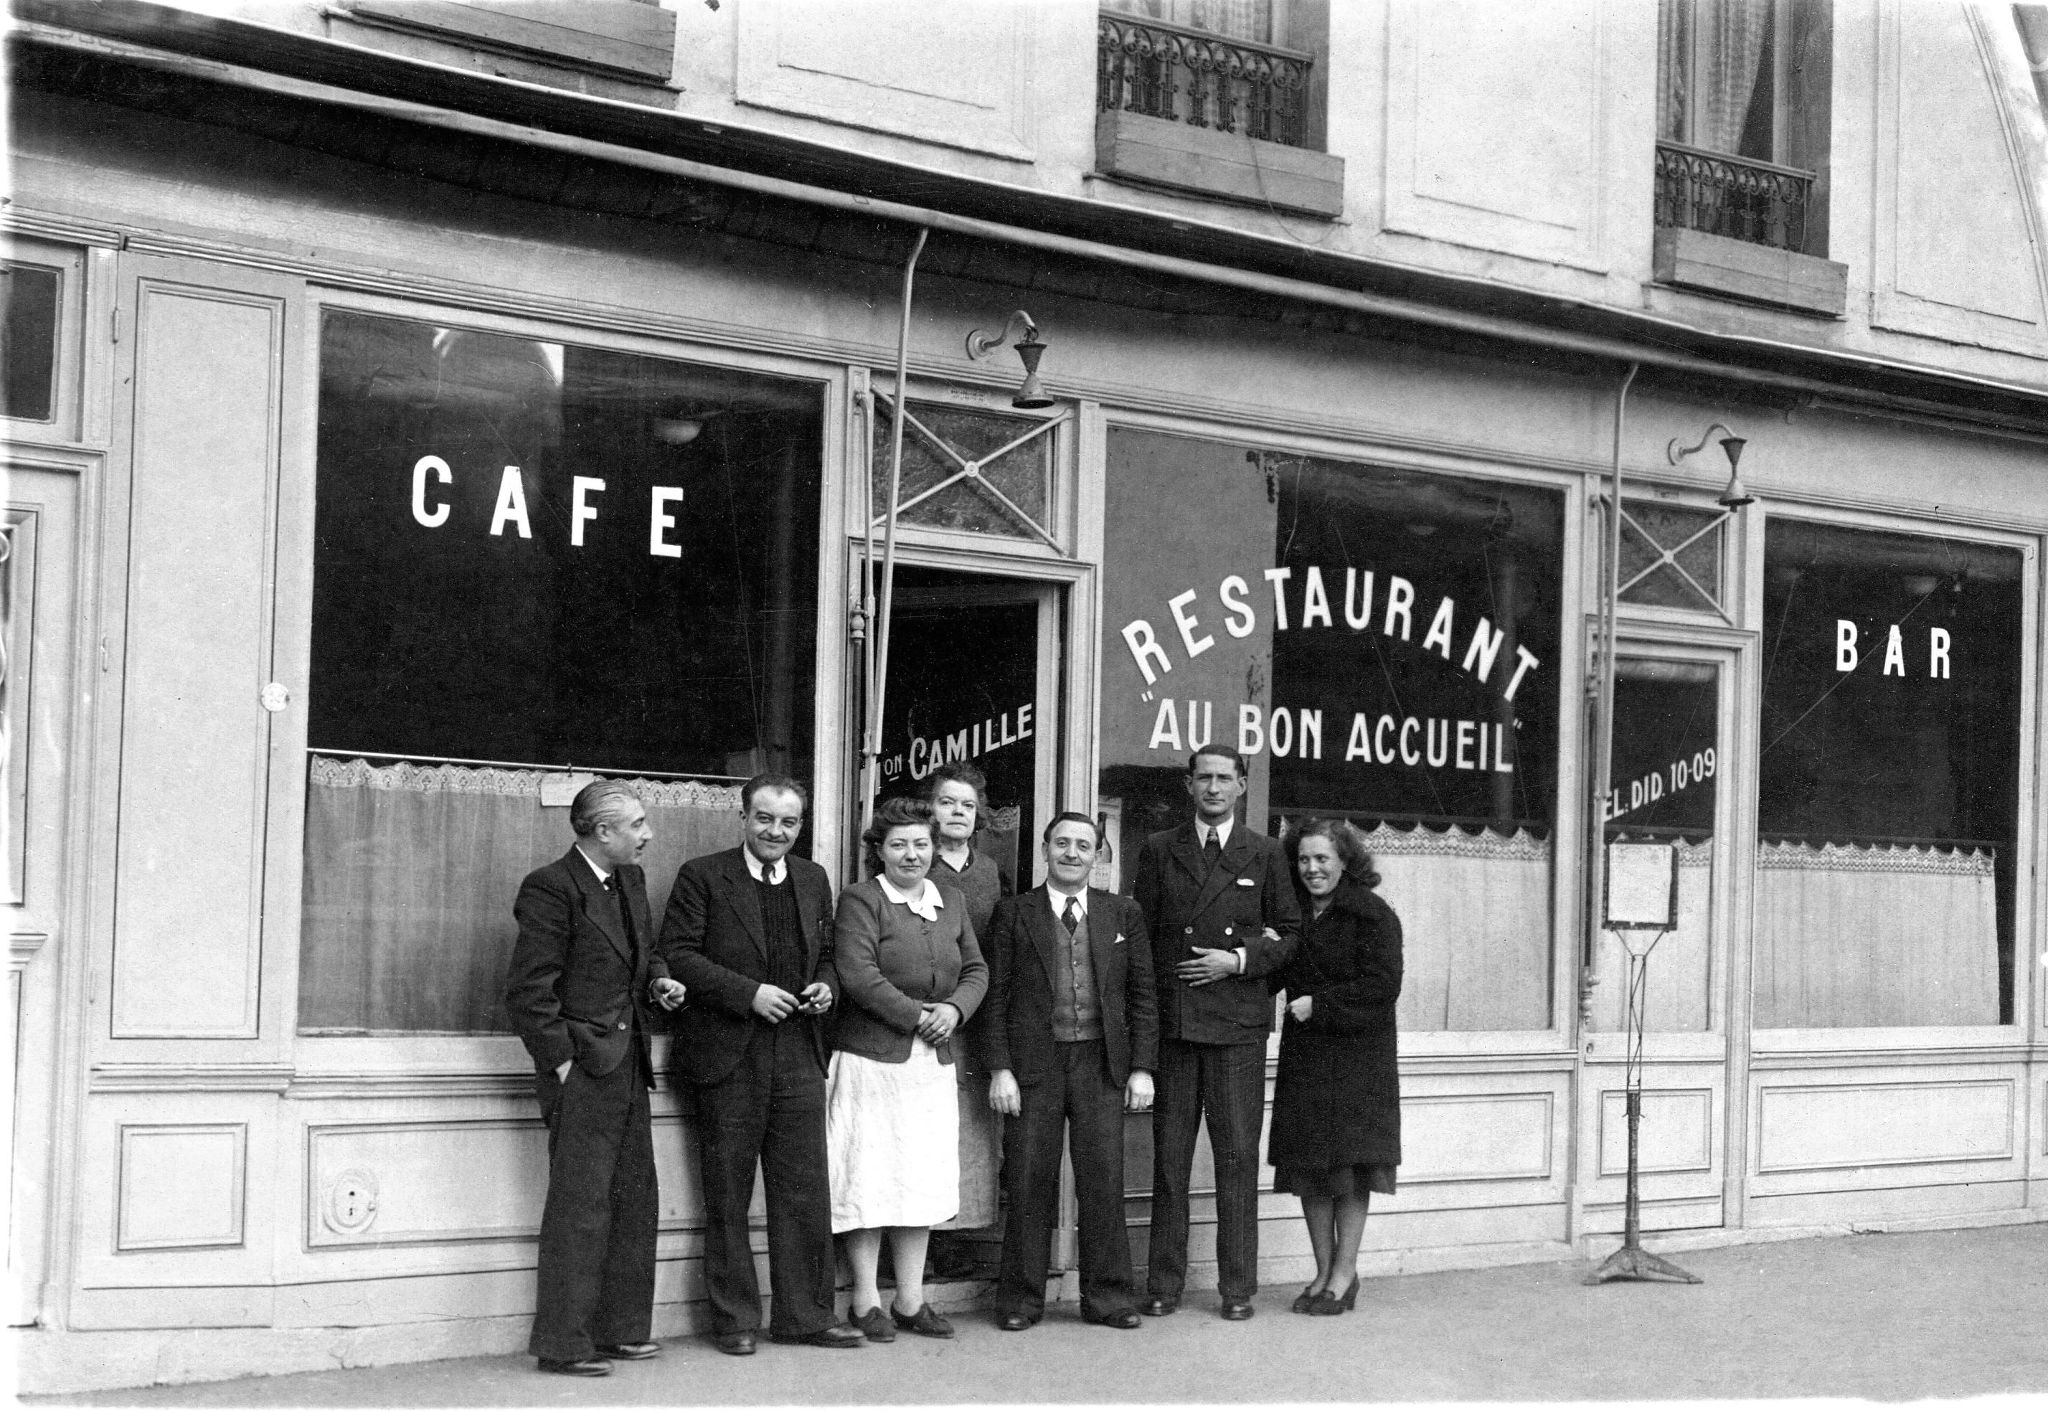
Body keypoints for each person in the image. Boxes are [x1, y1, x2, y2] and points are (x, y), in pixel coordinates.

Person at [659, 774, 864, 1356]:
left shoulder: (812, 877)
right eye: (765, 819)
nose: (776, 831)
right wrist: (749, 993)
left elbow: (827, 954)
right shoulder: (703, 875)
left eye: (789, 822)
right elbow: (678, 954)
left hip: (798, 1051)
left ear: (800, 826)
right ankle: (735, 1320)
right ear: (743, 819)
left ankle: (804, 1317)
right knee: (727, 1193)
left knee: (803, 1191)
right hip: (729, 1054)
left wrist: (825, 986)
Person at [504, 780, 687, 1376]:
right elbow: (530, 994)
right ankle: (564, 1345)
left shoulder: (629, 881)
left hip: (628, 1063)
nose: (648, 833)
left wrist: (658, 979)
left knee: (636, 1201)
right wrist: (561, 1064)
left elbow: (645, 953)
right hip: (583, 1069)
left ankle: (622, 1331)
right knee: (580, 1209)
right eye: (636, 824)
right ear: (601, 832)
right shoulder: (552, 888)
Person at [1132, 746, 1300, 1320]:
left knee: (1235, 1158)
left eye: (1224, 778)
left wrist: (1238, 959)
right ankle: (1163, 1284)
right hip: (1177, 1029)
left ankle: (1237, 1289)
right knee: (1170, 1162)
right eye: (1203, 777)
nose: (1213, 787)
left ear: (1242, 785)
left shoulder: (1268, 852)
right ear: (1188, 785)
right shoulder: (1159, 849)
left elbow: (1293, 937)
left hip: (1238, 1030)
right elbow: (1145, 943)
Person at [981, 812, 1156, 1331]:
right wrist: (1000, 1069)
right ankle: (1020, 1301)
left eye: (1084, 845)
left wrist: (1142, 1068)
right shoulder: (1013, 913)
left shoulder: (1122, 913)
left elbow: (1144, 997)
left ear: (1098, 854)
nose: (1072, 853)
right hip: (1035, 1065)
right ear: (1045, 848)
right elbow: (995, 999)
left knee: (1103, 1180)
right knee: (1030, 1178)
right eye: (1062, 843)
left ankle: (1109, 1298)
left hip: (1101, 1064)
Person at [827, 795, 989, 1342]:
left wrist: (955, 1008)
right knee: (869, 1176)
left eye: (922, 843)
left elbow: (976, 968)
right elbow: (858, 974)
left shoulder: (951, 900)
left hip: (930, 1065)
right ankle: (865, 1300)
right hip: (872, 1061)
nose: (912, 854)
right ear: (879, 850)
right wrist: (921, 1016)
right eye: (899, 845)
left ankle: (912, 1300)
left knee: (918, 1178)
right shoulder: (860, 900)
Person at [1269, 818, 1403, 1317]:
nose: (1312, 868)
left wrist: (1318, 1005)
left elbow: (1384, 986)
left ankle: (1344, 1276)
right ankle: (1322, 1272)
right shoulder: (1293, 914)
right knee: (1310, 1170)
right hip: (1306, 1059)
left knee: (1349, 1170)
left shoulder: (1372, 914)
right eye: (1303, 859)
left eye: (1322, 858)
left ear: (1345, 860)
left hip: (1356, 1062)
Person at [924, 762, 1008, 1271]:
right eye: (947, 802)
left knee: (970, 1136)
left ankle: (955, 1242)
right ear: (930, 809)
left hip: (978, 1020)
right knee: (927, 1132)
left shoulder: (991, 870)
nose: (957, 813)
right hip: (929, 1015)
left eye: (967, 805)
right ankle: (918, 1246)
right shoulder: (914, 859)